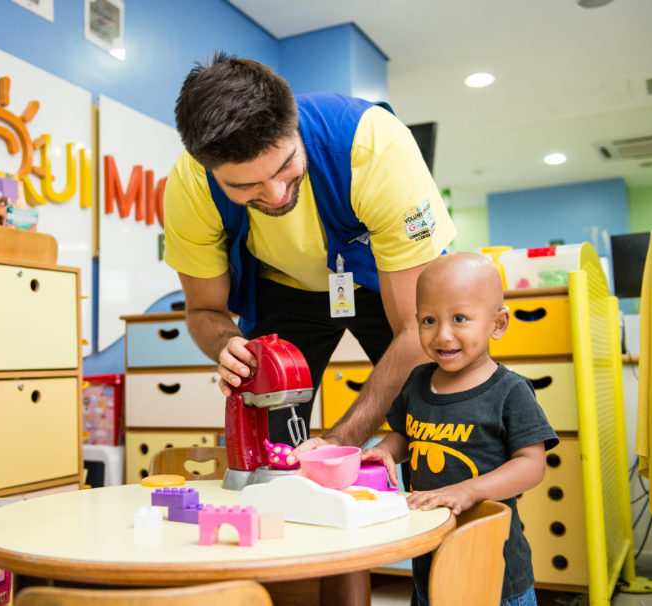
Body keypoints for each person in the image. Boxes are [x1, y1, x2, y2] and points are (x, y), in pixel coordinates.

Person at [163, 52, 456, 446]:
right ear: (208, 169)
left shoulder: (374, 147)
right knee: (266, 440)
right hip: (282, 290)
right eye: (245, 187)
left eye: (285, 166)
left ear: (294, 127)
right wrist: (227, 346)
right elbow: (204, 311)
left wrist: (338, 444)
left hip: (379, 279)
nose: (276, 194)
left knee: (444, 414)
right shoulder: (191, 187)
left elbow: (415, 331)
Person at [360, 252, 558, 606]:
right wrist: (385, 450)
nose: (443, 335)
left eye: (460, 318)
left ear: (497, 324)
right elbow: (405, 435)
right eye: (429, 320)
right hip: (429, 559)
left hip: (493, 572)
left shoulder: (509, 391)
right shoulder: (418, 380)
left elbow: (532, 464)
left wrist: (469, 490)